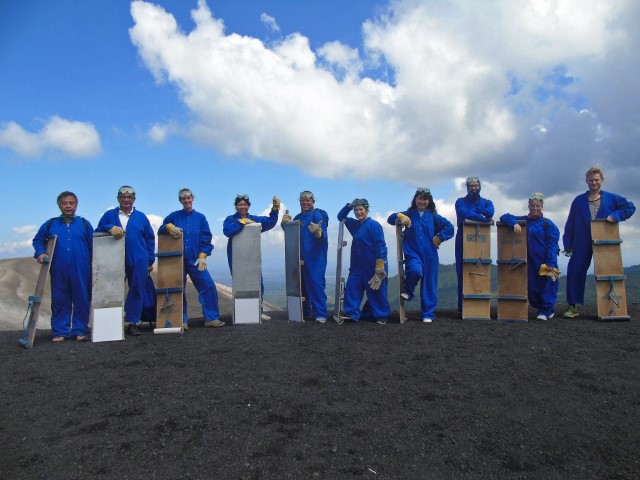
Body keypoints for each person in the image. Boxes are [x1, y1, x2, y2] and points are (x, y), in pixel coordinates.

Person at [562, 166, 636, 318]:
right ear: (586, 181)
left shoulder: (611, 198)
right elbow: (570, 223)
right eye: (591, 180)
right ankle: (572, 307)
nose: (594, 182)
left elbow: (630, 207)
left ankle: (609, 306)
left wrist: (616, 215)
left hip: (605, 239)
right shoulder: (578, 200)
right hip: (581, 240)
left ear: (602, 180)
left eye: (596, 179)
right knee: (575, 271)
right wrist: (568, 243)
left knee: (609, 271)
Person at [32, 191, 93, 342]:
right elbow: (38, 240)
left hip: (81, 268)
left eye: (71, 203)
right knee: (60, 299)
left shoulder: (84, 224)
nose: (68, 206)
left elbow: (94, 246)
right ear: (59, 205)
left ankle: (80, 330)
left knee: (82, 298)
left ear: (76, 205)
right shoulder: (50, 224)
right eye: (64, 203)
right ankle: (60, 331)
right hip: (58, 268)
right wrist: (40, 253)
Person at [159, 188, 224, 329]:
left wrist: (203, 255)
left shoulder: (200, 218)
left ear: (193, 199)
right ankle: (180, 320)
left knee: (208, 286)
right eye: (184, 199)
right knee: (177, 289)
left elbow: (206, 238)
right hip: (177, 260)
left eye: (189, 198)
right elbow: (161, 229)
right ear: (180, 201)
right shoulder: (174, 216)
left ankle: (211, 318)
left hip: (195, 260)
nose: (187, 200)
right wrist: (167, 227)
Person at [388, 188, 454, 322]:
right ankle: (409, 290)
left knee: (430, 283)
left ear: (429, 201)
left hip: (430, 254)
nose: (422, 201)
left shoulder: (434, 216)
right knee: (415, 271)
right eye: (419, 198)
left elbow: (450, 227)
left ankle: (427, 314)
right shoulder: (409, 214)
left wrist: (440, 237)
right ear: (415, 199)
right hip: (412, 252)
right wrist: (400, 216)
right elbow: (390, 219)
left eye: (424, 199)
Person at [96, 186, 155, 335]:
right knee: (111, 290)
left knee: (137, 289)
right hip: (114, 259)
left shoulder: (141, 217)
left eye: (129, 197)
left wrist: (150, 260)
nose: (126, 200)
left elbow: (149, 238)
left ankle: (133, 322)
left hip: (139, 258)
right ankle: (111, 324)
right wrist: (109, 227)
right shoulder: (109, 215)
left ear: (134, 199)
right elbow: (98, 231)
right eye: (123, 197)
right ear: (118, 199)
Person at [500, 193, 561, 320]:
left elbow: (552, 244)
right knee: (532, 287)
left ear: (542, 206)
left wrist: (550, 262)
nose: (535, 208)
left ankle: (545, 310)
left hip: (546, 260)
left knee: (547, 286)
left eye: (537, 206)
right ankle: (544, 309)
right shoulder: (524, 221)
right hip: (529, 261)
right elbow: (504, 216)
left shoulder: (547, 224)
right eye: (532, 205)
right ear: (528, 206)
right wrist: (514, 224)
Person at [223, 193, 279, 320]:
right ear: (236, 206)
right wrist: (241, 223)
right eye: (240, 204)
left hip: (252, 256)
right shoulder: (230, 219)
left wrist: (275, 209)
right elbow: (227, 231)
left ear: (248, 206)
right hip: (236, 256)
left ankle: (258, 312)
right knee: (240, 284)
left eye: (245, 204)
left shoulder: (254, 219)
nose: (242, 207)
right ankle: (242, 314)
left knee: (258, 284)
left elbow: (270, 222)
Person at [337, 198, 390, 324]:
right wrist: (349, 205)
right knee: (352, 287)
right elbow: (341, 216)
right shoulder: (355, 225)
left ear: (367, 210)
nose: (358, 212)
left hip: (374, 266)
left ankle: (381, 316)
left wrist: (379, 265)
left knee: (376, 290)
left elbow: (380, 245)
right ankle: (352, 314)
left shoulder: (374, 225)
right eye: (356, 210)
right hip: (357, 266)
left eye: (361, 209)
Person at [281, 190, 329, 322]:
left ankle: (320, 314)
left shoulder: (317, 215)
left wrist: (319, 233)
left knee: (315, 283)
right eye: (302, 200)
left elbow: (323, 234)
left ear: (313, 202)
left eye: (308, 200)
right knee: (300, 285)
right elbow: (291, 234)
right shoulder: (297, 217)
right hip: (298, 257)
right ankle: (305, 312)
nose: (305, 202)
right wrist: (285, 225)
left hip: (315, 257)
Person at [454, 176, 494, 313]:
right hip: (463, 238)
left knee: (481, 269)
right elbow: (463, 213)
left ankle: (480, 309)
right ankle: (462, 309)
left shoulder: (487, 202)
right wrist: (483, 218)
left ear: (480, 186)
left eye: (476, 185)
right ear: (467, 187)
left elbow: (491, 211)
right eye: (471, 185)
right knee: (462, 272)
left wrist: (477, 213)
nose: (474, 188)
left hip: (483, 240)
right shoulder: (460, 201)